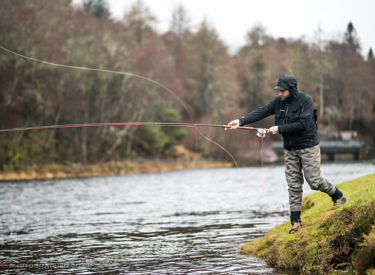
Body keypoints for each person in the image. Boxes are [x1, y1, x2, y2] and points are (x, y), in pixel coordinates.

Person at [227, 75, 346, 234]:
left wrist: (279, 128)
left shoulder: (306, 101)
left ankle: (337, 196)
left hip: (308, 146)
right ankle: (295, 222)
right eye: (279, 91)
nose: (280, 94)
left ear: (291, 90)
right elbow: (262, 111)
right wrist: (240, 121)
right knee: (293, 185)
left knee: (314, 181)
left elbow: (303, 124)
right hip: (289, 149)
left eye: (282, 91)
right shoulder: (278, 102)